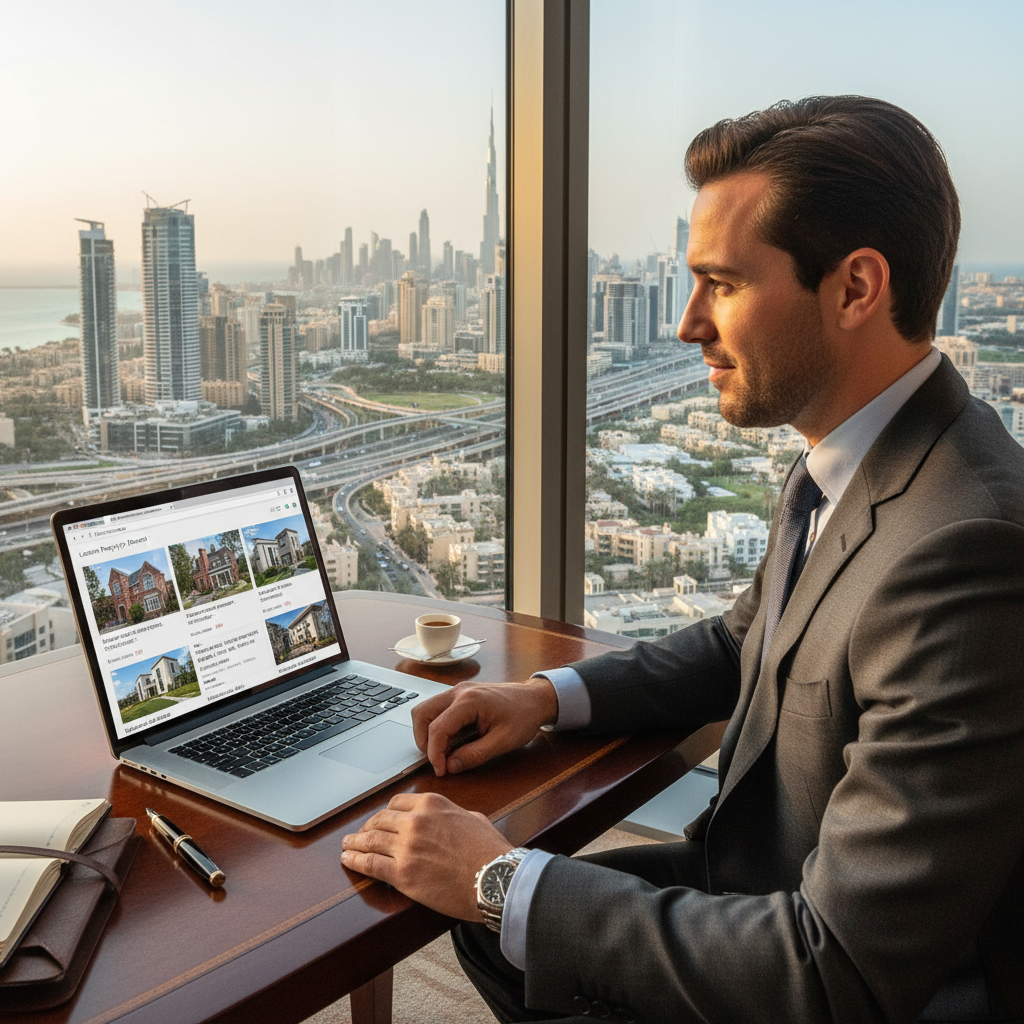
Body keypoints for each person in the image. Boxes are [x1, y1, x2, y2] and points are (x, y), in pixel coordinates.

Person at [341, 96, 1024, 1023]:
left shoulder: (968, 549)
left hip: (835, 967)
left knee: (498, 899)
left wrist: (500, 879)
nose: (687, 324)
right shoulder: (857, 456)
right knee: (483, 913)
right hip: (759, 878)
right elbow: (745, 640)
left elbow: (837, 973)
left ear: (856, 288)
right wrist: (542, 699)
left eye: (724, 284)